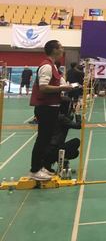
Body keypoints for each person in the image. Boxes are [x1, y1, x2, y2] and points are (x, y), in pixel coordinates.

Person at [29, 40, 78, 181]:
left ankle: (42, 166)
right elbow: (43, 87)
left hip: (53, 108)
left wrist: (68, 89)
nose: (63, 49)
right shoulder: (46, 66)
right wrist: (63, 88)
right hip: (45, 108)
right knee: (42, 139)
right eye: (60, 47)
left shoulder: (54, 67)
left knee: (46, 140)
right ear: (54, 50)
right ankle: (34, 170)